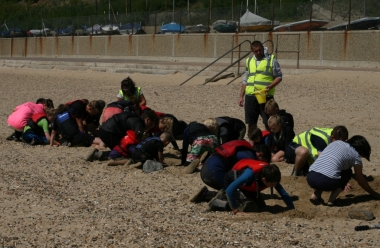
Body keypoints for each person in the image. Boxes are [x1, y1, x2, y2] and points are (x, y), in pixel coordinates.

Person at [307, 135, 380, 206]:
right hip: (327, 182)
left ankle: (315, 195)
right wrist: (373, 193)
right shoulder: (356, 156)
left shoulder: (336, 142)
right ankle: (331, 201)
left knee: (327, 169)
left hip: (311, 177)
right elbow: (361, 181)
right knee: (348, 172)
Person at [238, 40, 282, 144]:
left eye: (260, 50)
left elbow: (279, 77)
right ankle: (252, 145)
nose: (258, 52)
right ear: (252, 51)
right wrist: (241, 96)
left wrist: (270, 86)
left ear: (263, 48)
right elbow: (245, 80)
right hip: (250, 96)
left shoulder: (271, 59)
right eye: (256, 51)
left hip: (265, 96)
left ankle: (270, 144)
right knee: (251, 123)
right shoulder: (249, 61)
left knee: (269, 122)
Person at [220, 161, 295, 214]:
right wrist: (235, 210)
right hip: (231, 180)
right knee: (246, 206)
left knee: (260, 206)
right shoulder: (249, 175)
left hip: (248, 185)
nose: (275, 185)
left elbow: (283, 193)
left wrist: (292, 209)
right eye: (272, 184)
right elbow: (230, 189)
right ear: (264, 180)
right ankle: (220, 200)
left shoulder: (271, 177)